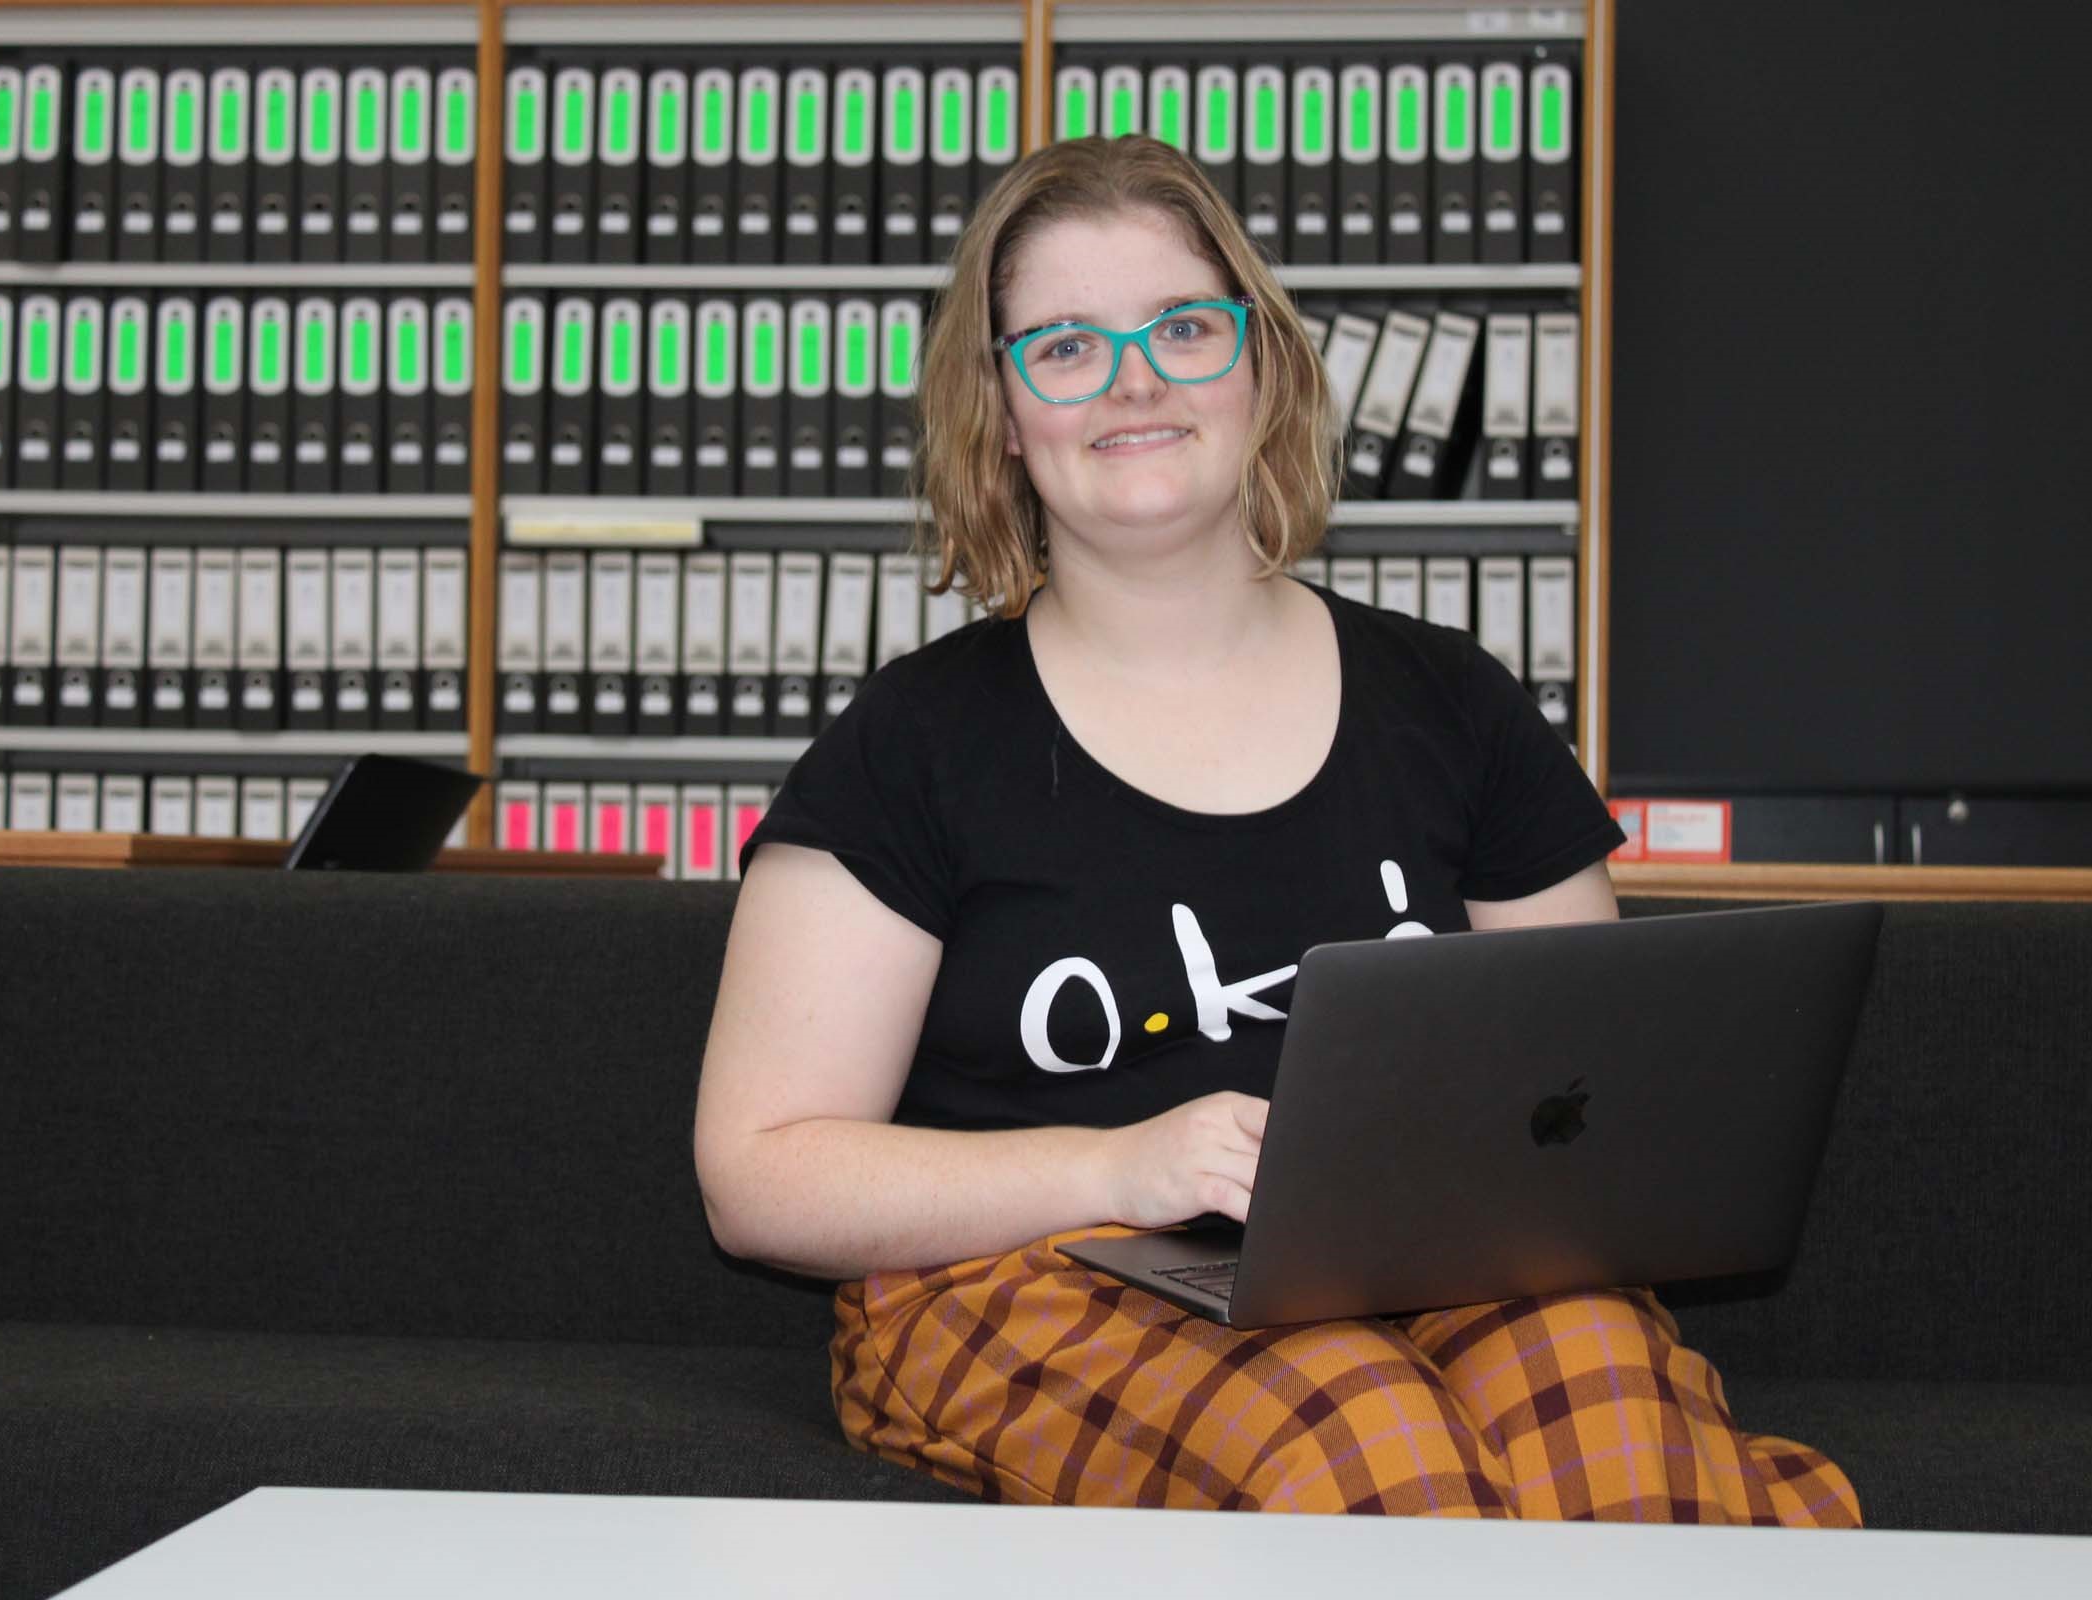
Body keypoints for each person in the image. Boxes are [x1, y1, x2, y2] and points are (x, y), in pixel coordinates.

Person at [691, 134, 1859, 1524]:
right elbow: (758, 1173)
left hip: (1434, 1267)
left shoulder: (1453, 703)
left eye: (1184, 328)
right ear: (1000, 412)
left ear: (1265, 367)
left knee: (1615, 1415)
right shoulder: (915, 743)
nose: (1133, 381)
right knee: (1367, 1439)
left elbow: (1586, 1133)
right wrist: (1122, 1163)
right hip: (1030, 1272)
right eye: (1064, 347)